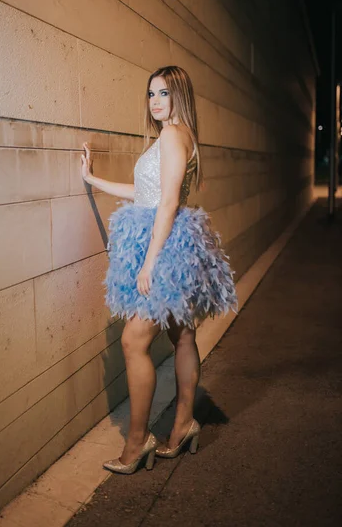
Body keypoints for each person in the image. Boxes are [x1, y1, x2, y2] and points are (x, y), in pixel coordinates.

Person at [81, 66, 237, 474]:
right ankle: (184, 425)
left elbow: (166, 202)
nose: (154, 100)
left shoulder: (171, 135)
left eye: (164, 93)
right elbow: (144, 193)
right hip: (173, 242)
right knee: (182, 335)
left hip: (165, 248)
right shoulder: (178, 134)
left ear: (179, 96)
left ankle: (137, 443)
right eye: (151, 93)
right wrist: (93, 179)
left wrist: (149, 262)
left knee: (134, 341)